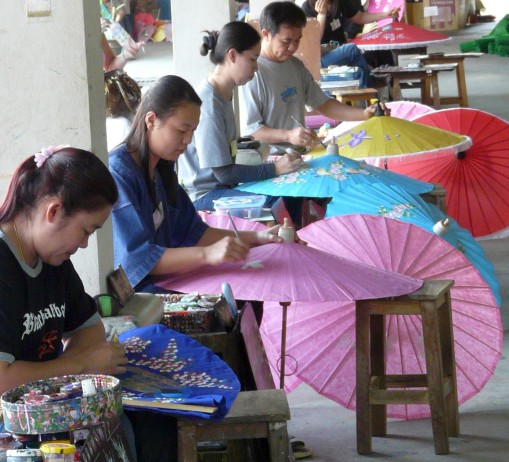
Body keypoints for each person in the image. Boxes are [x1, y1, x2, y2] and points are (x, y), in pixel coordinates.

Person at [109, 74, 287, 294]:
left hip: (166, 281)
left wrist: (259, 238)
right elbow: (137, 258)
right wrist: (208, 254)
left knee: (248, 288)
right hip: (140, 294)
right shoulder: (119, 173)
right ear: (151, 120)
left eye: (193, 131)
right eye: (182, 131)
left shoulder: (162, 168)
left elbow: (193, 231)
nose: (188, 141)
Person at [0, 146, 127, 393]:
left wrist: (66, 370)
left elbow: (90, 332)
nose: (84, 244)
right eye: (86, 231)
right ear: (54, 211)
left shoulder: (52, 258)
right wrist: (80, 365)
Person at [177, 21, 304, 220]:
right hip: (205, 196)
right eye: (253, 59)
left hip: (223, 187)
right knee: (280, 200)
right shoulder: (208, 104)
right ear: (232, 55)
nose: (256, 68)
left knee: (294, 188)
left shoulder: (224, 95)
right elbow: (224, 174)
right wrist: (275, 168)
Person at [240, 1, 384, 155]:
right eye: (286, 41)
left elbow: (323, 104)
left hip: (298, 154)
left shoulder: (295, 66)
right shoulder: (253, 72)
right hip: (269, 160)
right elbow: (251, 130)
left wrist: (364, 114)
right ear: (266, 34)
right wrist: (288, 135)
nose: (293, 47)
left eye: (297, 40)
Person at [300, 0, 395, 88]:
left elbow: (360, 17)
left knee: (363, 66)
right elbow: (314, 40)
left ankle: (369, 95)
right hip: (319, 60)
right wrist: (321, 15)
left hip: (339, 51)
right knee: (352, 49)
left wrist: (386, 15)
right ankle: (371, 82)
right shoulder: (307, 8)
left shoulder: (340, 2)